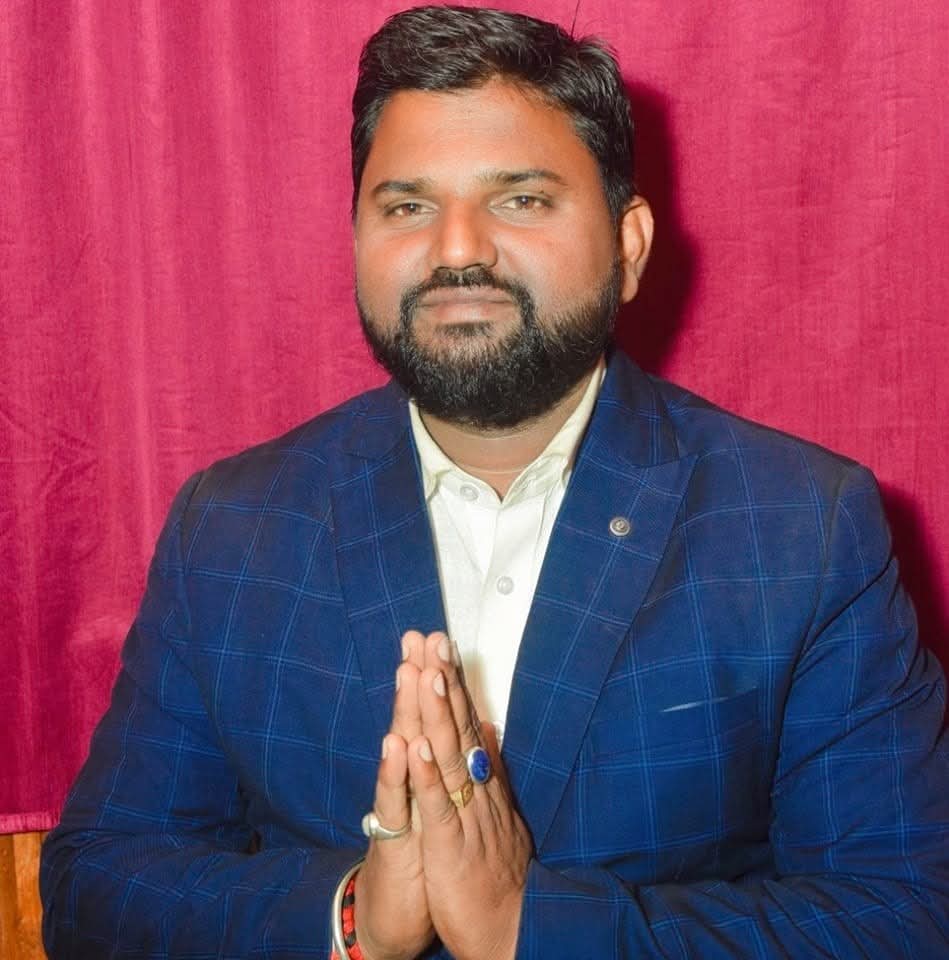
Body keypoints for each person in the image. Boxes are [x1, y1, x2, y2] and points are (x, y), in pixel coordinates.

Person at [41, 5, 948, 958]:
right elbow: (95, 885)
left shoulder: (800, 527)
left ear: (629, 245)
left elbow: (905, 915)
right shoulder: (232, 527)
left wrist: (531, 926)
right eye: (407, 207)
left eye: (520, 199)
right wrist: (354, 915)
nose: (456, 249)